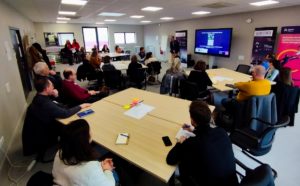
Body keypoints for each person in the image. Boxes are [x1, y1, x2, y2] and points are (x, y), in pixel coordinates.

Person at [166, 101, 238, 186]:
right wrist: (193, 130)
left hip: (203, 182)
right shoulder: (222, 132)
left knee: (184, 160)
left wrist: (179, 143)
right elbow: (205, 135)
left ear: (192, 121)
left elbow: (170, 160)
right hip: (232, 182)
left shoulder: (191, 143)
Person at [22, 77, 90, 156]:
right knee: (74, 127)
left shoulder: (39, 96)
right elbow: (65, 113)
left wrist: (56, 96)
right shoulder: (44, 103)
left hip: (40, 127)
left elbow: (60, 106)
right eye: (51, 85)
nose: (53, 87)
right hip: (43, 133)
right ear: (46, 88)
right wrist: (81, 106)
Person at [52, 119, 115, 186]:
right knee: (116, 174)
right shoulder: (89, 168)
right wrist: (107, 170)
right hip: (83, 177)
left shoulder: (60, 152)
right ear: (86, 139)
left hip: (61, 182)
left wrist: (100, 165)